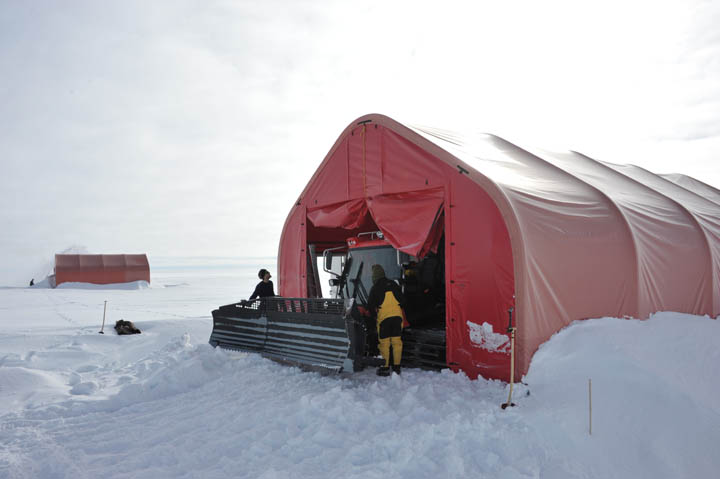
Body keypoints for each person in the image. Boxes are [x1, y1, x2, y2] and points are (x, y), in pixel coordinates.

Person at [367, 264, 405, 376]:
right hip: (397, 318)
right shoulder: (394, 284)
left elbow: (370, 306)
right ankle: (397, 367)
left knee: (384, 344)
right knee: (397, 343)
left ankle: (385, 367)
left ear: (374, 276)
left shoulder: (375, 288)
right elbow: (403, 300)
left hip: (384, 320)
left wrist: (374, 316)